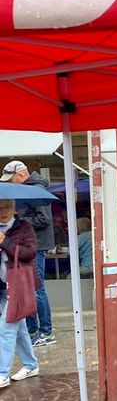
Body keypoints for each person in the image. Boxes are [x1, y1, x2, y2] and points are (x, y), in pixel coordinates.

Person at [0, 161, 55, 346]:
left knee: (36, 288)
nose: (11, 184)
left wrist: (19, 222)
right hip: (25, 246)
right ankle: (32, 330)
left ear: (21, 175)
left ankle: (46, 332)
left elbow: (44, 219)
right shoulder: (26, 190)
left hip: (36, 246)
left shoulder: (36, 192)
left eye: (12, 179)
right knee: (26, 289)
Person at [0, 199, 40, 388]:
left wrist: (4, 242)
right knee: (20, 328)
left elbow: (30, 253)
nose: (2, 211)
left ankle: (2, 373)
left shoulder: (24, 227)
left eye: (6, 207)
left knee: (5, 328)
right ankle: (31, 365)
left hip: (19, 285)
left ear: (14, 209)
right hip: (2, 285)